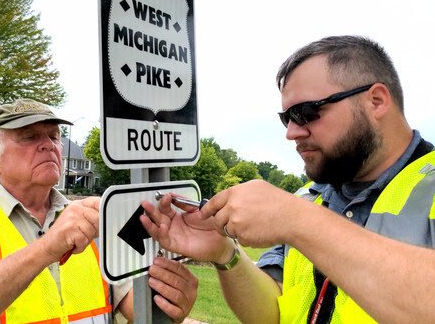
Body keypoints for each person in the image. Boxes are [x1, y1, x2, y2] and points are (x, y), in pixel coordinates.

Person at [140, 35, 435, 323]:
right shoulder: (308, 197)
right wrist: (224, 253)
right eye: (287, 118)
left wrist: (298, 222)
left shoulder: (300, 212)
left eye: (306, 112)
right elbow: (274, 313)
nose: (291, 132)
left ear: (376, 101)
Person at [0, 98, 197, 323]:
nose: (49, 146)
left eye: (54, 136)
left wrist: (169, 300)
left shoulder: (92, 220)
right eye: (30, 137)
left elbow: (133, 305)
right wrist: (46, 249)